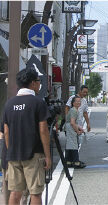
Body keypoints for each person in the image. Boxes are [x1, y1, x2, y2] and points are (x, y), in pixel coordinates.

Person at [3, 68, 51, 205]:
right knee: (35, 193)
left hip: (13, 155)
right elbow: (43, 130)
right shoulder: (38, 103)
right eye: (38, 81)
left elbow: (6, 131)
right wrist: (47, 156)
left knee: (15, 192)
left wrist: (10, 150)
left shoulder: (9, 104)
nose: (39, 84)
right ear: (33, 83)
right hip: (34, 154)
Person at [65, 96, 85, 168]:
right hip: (70, 128)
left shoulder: (74, 110)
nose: (79, 103)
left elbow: (73, 123)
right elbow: (72, 123)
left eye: (80, 101)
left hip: (69, 127)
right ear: (73, 103)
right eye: (77, 101)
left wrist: (80, 128)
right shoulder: (74, 110)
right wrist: (77, 131)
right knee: (73, 145)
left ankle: (68, 161)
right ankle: (76, 162)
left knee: (70, 144)